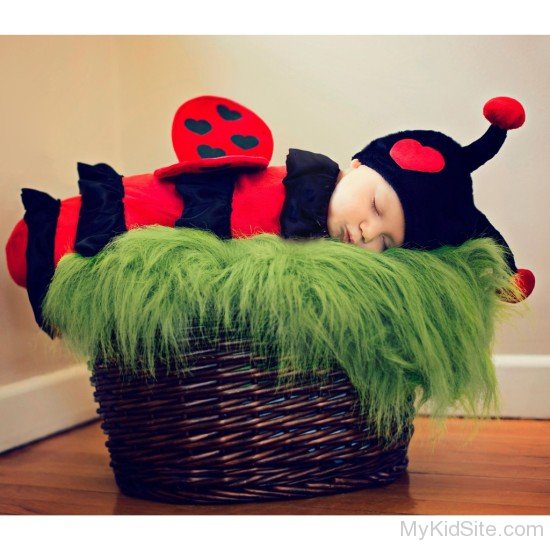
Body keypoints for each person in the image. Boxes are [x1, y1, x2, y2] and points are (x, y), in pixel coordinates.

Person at [5, 95, 535, 335]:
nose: (367, 232)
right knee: (133, 213)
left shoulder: (327, 262)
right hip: (153, 212)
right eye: (376, 207)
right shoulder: (299, 186)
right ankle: (53, 236)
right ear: (356, 166)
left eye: (387, 243)